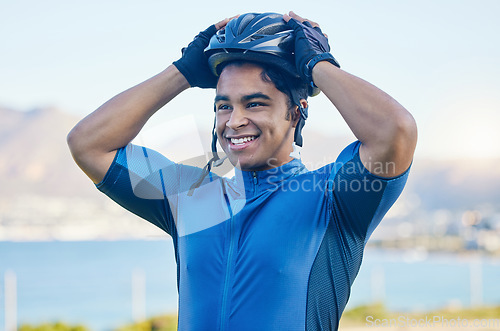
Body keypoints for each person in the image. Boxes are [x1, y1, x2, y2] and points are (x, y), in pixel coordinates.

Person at [67, 11, 417, 331]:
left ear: (296, 113)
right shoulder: (188, 197)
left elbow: (395, 131)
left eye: (254, 103)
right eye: (223, 106)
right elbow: (88, 143)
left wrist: (317, 65)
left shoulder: (332, 197)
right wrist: (182, 72)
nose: (234, 121)